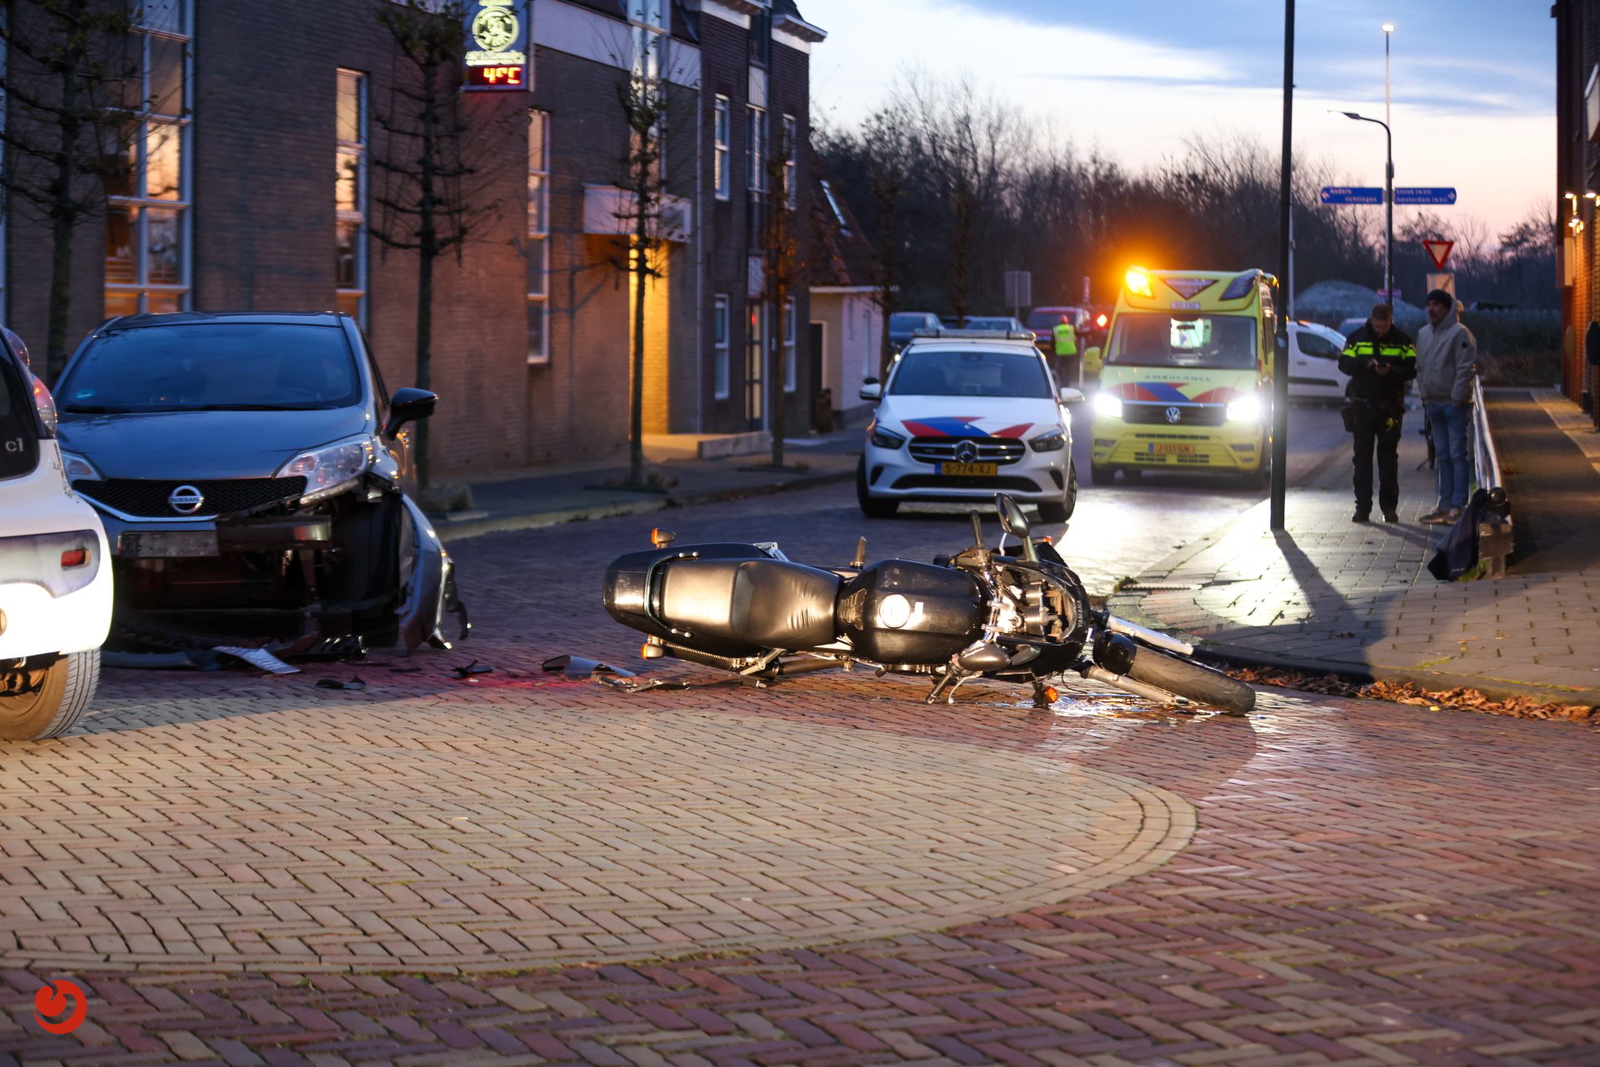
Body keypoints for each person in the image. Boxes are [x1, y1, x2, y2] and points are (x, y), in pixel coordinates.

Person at [1337, 303, 1416, 523]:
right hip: (1362, 406)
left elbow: (1411, 369)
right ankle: (1362, 508)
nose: (1381, 330)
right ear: (1371, 320)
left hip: (1390, 406)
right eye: (1377, 325)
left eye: (1385, 325)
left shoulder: (1402, 340)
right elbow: (1343, 364)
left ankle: (1389, 508)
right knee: (1361, 458)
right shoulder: (1356, 338)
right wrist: (1365, 363)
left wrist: (1391, 371)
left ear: (1391, 321)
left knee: (1388, 459)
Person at [1414, 289, 1478, 524]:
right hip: (1434, 403)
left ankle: (1457, 506)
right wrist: (1425, 396)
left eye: (1436, 305)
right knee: (1443, 456)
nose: (1431, 309)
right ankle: (1444, 505)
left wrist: (1455, 399)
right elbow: (1420, 367)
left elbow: (1465, 368)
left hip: (1453, 405)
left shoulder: (1460, 333)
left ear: (1447, 308)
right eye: (1428, 304)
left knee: (1457, 454)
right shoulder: (1423, 334)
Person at [1052, 315, 1080, 386]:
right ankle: (1067, 384)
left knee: (1059, 370)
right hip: (1071, 353)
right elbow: (1079, 335)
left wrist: (1053, 351)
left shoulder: (1056, 329)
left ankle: (1062, 383)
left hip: (1060, 353)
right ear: (1067, 321)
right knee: (1068, 370)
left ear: (1059, 321)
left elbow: (1052, 342)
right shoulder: (1071, 328)